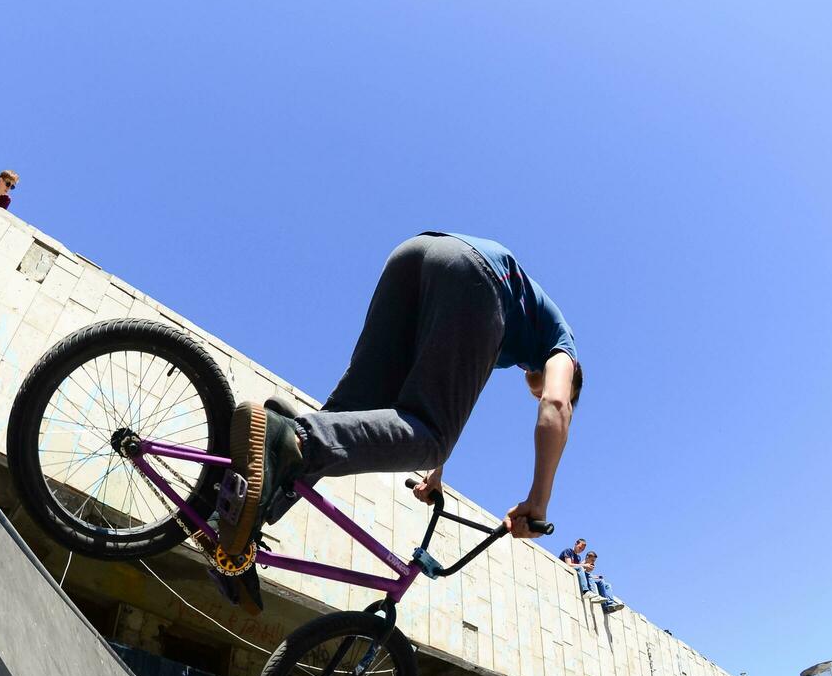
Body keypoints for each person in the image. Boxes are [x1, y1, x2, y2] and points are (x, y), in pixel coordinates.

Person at [217, 233, 581, 559]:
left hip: (414, 256)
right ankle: (292, 435)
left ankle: (236, 521)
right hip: (475, 277)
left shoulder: (510, 341)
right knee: (426, 438)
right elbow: (557, 406)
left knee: (347, 413)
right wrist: (538, 500)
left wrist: (435, 474)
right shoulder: (561, 346)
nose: (537, 394)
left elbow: (451, 400)